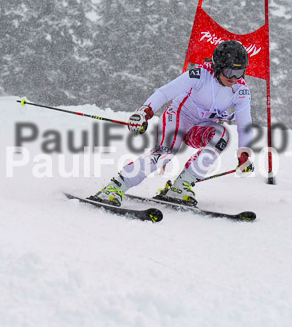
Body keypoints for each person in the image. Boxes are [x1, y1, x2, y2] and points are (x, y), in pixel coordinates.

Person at [90, 40, 255, 207]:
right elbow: (165, 92)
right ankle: (116, 186)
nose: (234, 78)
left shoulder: (241, 90)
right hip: (178, 117)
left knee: (222, 136)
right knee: (164, 154)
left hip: (200, 127)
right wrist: (145, 111)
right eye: (228, 71)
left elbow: (244, 124)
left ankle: (181, 186)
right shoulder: (200, 75)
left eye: (239, 72)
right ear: (218, 67)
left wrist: (244, 153)